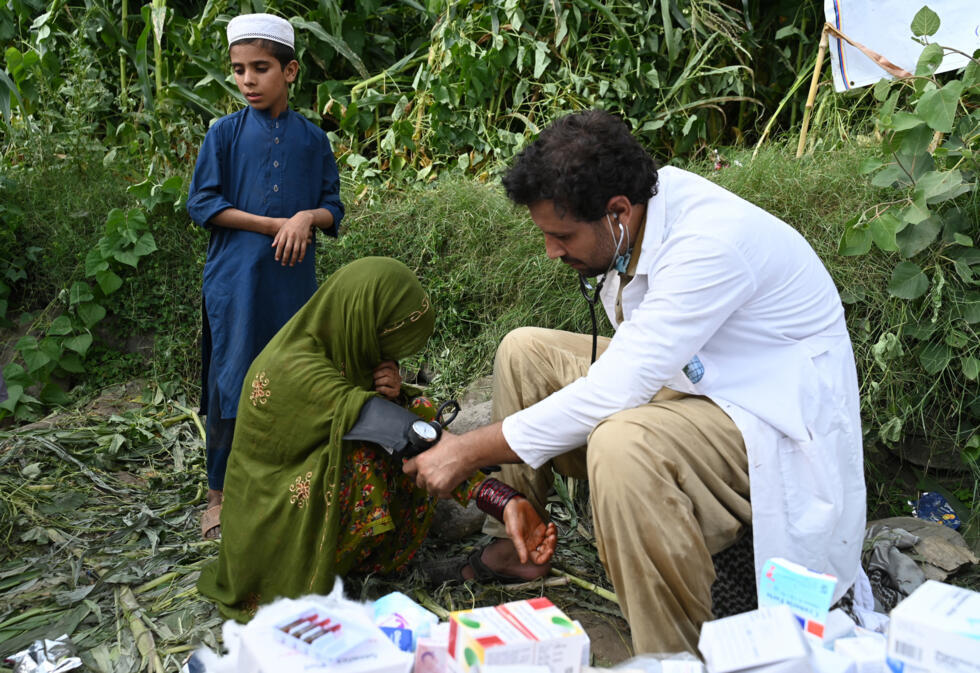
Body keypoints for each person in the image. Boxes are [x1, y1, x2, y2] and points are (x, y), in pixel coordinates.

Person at [404, 110, 867, 654]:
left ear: (616, 212)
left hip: (766, 418)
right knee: (524, 351)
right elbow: (633, 367)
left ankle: (671, 658)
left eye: (561, 236)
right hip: (692, 385)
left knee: (621, 444)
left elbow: (613, 391)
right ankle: (516, 543)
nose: (552, 252)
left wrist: (465, 451)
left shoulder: (710, 244)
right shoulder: (643, 214)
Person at [197, 257, 557, 620]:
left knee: (415, 407)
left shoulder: (341, 346)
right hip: (272, 532)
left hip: (305, 501)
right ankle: (318, 574)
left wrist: (392, 393)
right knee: (367, 457)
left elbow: (402, 419)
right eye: (384, 345)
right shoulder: (292, 366)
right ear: (361, 325)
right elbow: (398, 434)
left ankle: (360, 564)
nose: (386, 358)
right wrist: (499, 499)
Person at [186, 13, 344, 539]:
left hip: (292, 285)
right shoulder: (224, 135)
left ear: (290, 70)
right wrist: (275, 222)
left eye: (260, 68)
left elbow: (331, 208)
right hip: (235, 282)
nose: (247, 80)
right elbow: (204, 203)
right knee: (230, 381)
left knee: (286, 378)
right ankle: (218, 493)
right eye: (238, 70)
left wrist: (304, 219)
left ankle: (281, 484)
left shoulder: (312, 140)